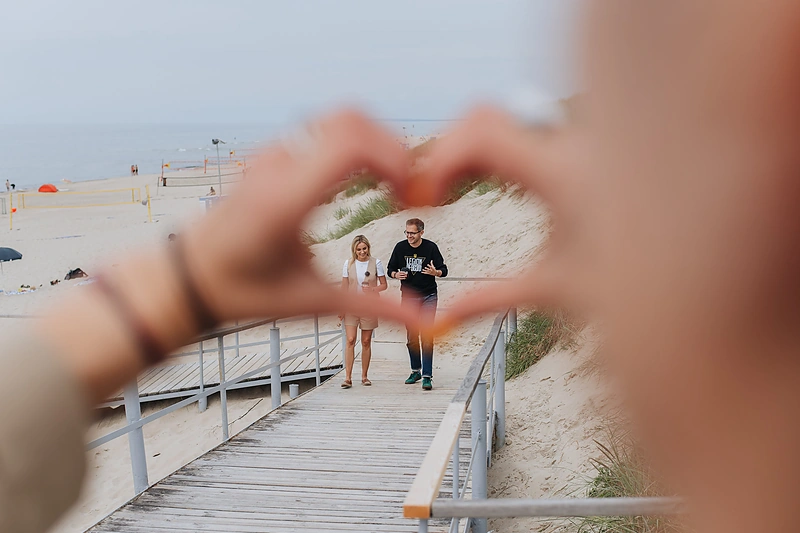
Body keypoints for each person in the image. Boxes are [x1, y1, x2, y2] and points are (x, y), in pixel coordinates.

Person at [386, 218, 447, 391]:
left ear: (421, 232)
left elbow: (444, 269)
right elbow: (390, 268)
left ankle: (427, 376)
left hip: (428, 296)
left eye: (412, 233)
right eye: (407, 232)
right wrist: (396, 275)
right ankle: (416, 371)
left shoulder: (430, 247)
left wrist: (436, 272)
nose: (409, 236)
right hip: (408, 297)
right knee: (412, 336)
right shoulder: (400, 247)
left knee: (427, 336)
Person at [339, 234, 387, 388]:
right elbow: (344, 288)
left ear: (368, 248)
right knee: (351, 339)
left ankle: (365, 376)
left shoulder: (376, 263)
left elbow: (384, 285)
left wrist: (373, 289)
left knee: (366, 341)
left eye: (364, 248)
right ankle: (347, 377)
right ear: (354, 249)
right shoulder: (348, 264)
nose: (362, 252)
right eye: (359, 249)